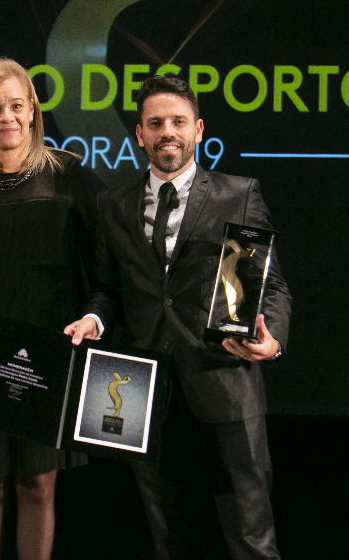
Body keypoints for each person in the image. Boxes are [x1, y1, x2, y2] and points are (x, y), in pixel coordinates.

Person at [65, 75, 292, 559]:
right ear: (140, 134)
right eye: (155, 123)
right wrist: (94, 319)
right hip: (141, 389)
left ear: (198, 129)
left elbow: (269, 285)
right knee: (169, 537)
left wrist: (272, 341)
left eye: (178, 121)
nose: (167, 131)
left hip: (224, 380)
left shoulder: (239, 193)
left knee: (251, 537)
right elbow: (107, 288)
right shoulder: (112, 204)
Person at [0, 57, 104, 560]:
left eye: (16, 106)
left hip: (50, 356)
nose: (6, 118)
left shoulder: (69, 177)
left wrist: (93, 315)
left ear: (34, 111)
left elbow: (106, 272)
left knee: (38, 484)